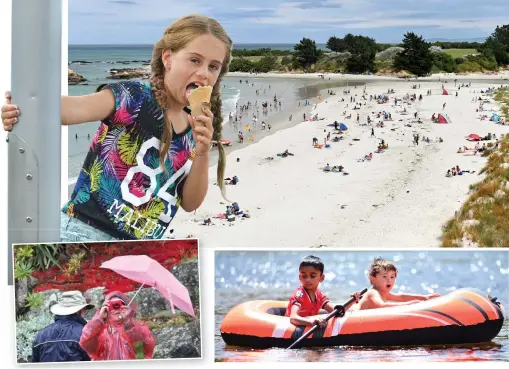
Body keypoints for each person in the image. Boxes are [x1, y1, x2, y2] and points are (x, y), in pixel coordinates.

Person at [2, 15, 233, 242]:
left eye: (213, 66)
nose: (204, 73)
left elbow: (190, 202)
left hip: (142, 252)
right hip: (82, 235)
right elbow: (74, 108)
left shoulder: (195, 127)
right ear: (168, 58)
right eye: (195, 60)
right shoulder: (133, 98)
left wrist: (202, 151)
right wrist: (24, 106)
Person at [285, 255, 361, 327]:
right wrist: (311, 322)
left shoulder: (319, 295)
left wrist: (352, 300)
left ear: (322, 278)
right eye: (304, 276)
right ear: (299, 277)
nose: (307, 280)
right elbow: (293, 318)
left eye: (313, 276)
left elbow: (337, 311)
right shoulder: (299, 294)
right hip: (293, 329)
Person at [79, 291, 155, 361]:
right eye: (112, 305)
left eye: (121, 304)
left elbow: (144, 348)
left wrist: (128, 323)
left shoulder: (138, 328)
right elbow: (87, 343)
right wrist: (99, 319)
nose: (117, 308)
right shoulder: (100, 332)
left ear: (127, 307)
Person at [355, 257, 440, 310]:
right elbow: (381, 307)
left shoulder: (383, 293)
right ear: (373, 280)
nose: (389, 280)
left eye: (392, 277)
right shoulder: (372, 293)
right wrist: (409, 305)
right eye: (384, 277)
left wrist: (425, 297)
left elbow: (401, 297)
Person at [32, 291, 94, 362]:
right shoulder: (85, 335)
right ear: (79, 311)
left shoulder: (40, 335)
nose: (84, 314)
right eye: (85, 311)